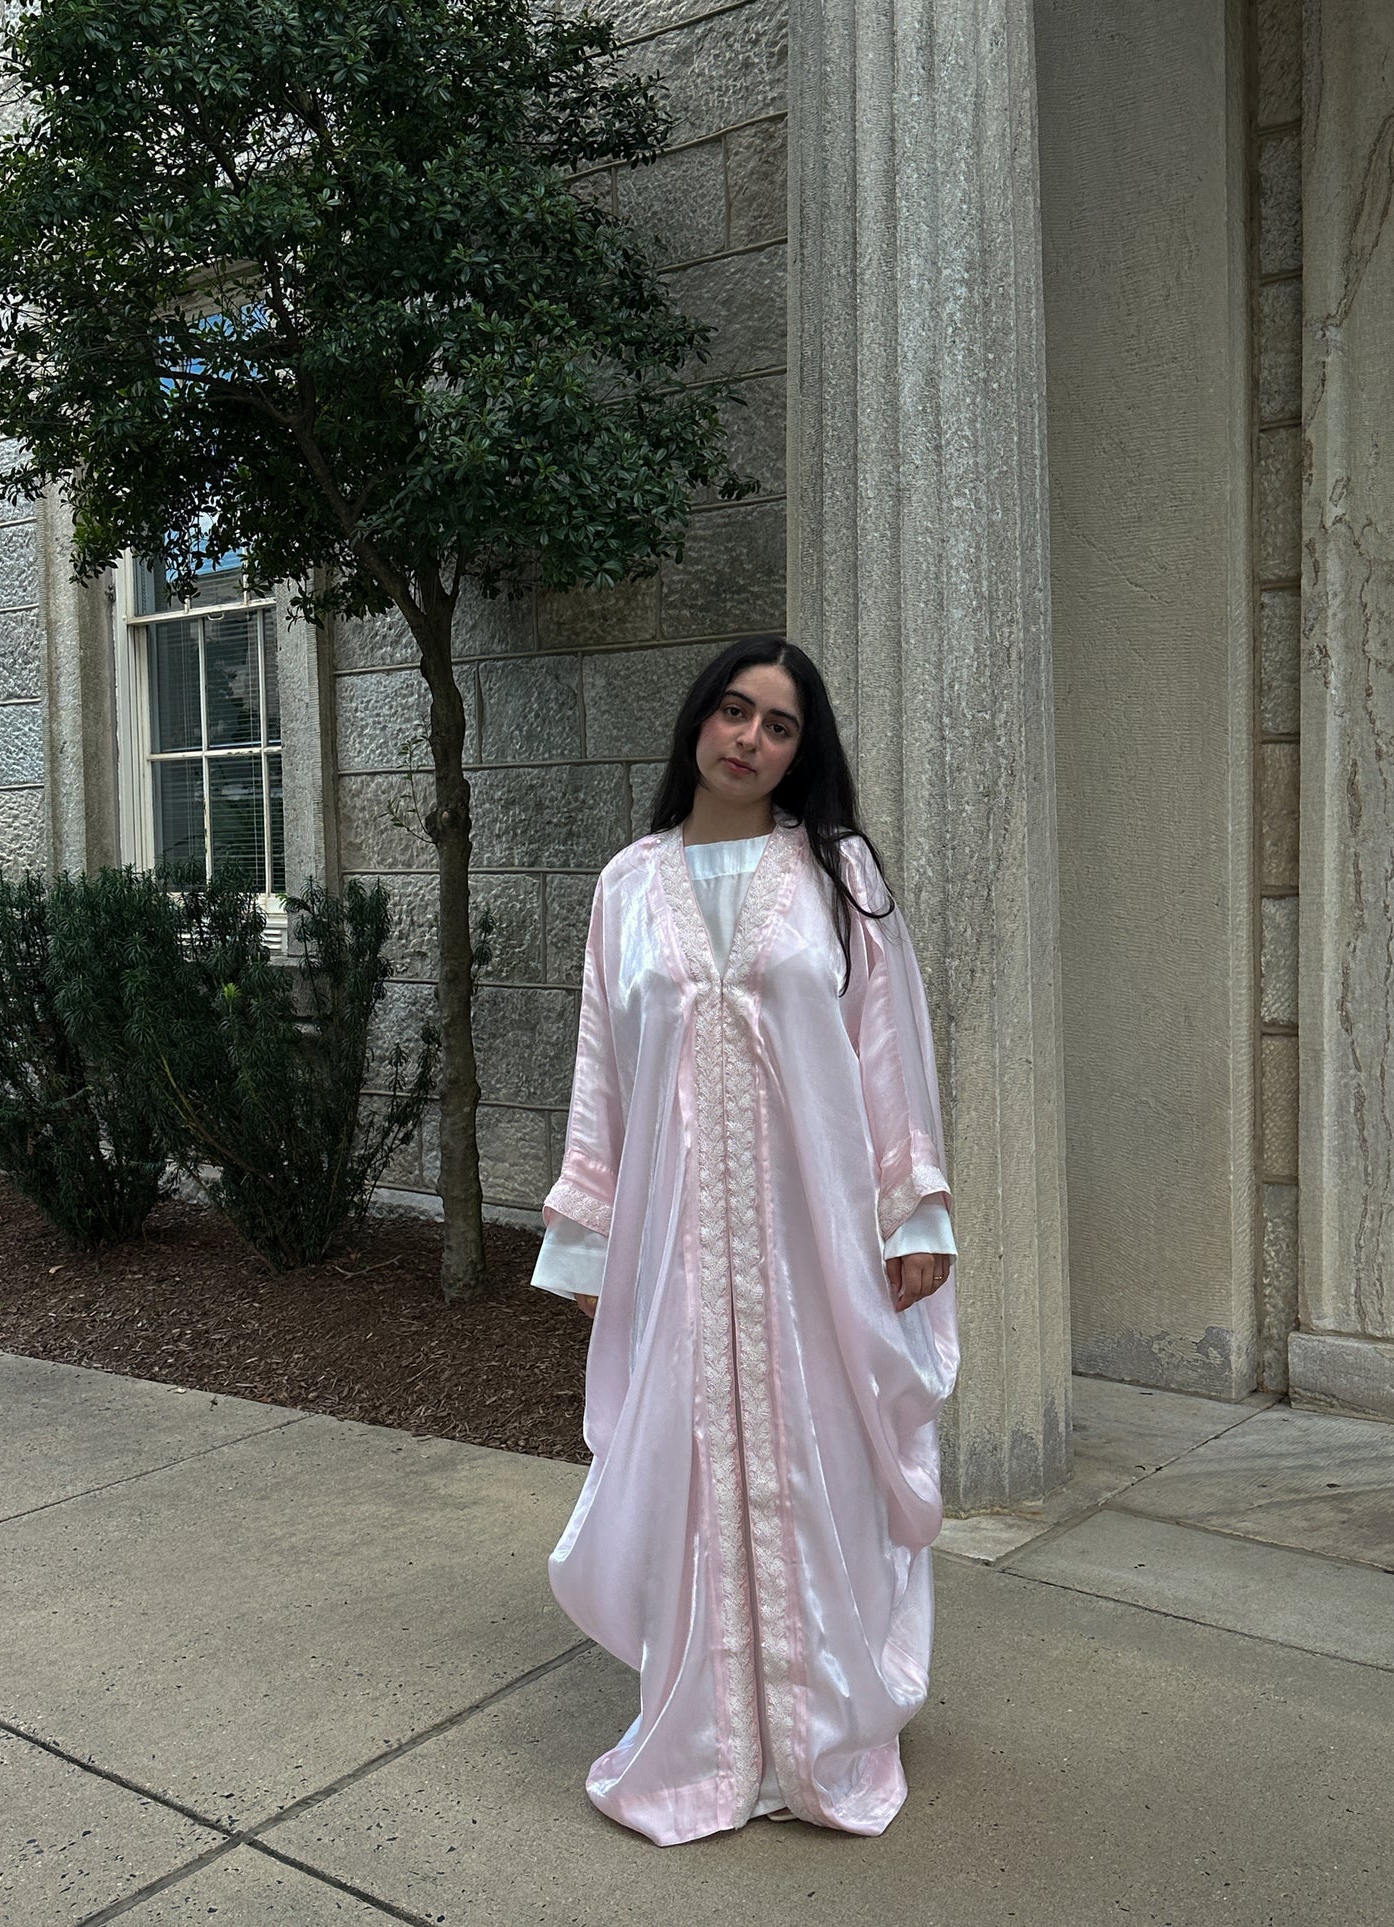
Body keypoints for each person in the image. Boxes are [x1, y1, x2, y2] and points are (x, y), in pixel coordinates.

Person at [530, 635, 960, 1847]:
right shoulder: (626, 886)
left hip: (811, 1247)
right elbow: (596, 1080)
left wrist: (910, 1212)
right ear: (696, 722)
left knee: (815, 1458)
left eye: (778, 726)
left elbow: (888, 1051)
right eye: (733, 711)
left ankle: (822, 1733)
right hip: (675, 1246)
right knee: (687, 1465)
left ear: (799, 750)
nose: (749, 740)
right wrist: (588, 1244)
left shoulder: (835, 875)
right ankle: (708, 1737)